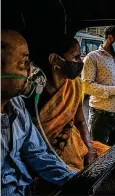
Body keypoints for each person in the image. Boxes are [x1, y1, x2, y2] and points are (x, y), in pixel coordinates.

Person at [1, 30, 75, 195]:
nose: (31, 69)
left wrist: (79, 181)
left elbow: (38, 154)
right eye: (24, 62)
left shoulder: (17, 105)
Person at [24, 34, 110, 172]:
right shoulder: (33, 91)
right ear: (54, 60)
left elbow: (80, 121)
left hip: (75, 143)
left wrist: (89, 149)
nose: (80, 62)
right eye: (75, 57)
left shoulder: (74, 84)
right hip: (46, 155)